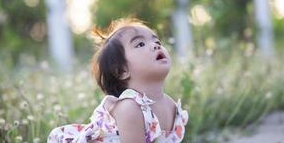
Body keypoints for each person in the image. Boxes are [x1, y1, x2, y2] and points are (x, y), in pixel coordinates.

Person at [47, 17, 188, 143]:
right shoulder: (129, 108)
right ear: (122, 71)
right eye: (140, 44)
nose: (156, 45)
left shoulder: (171, 106)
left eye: (157, 41)